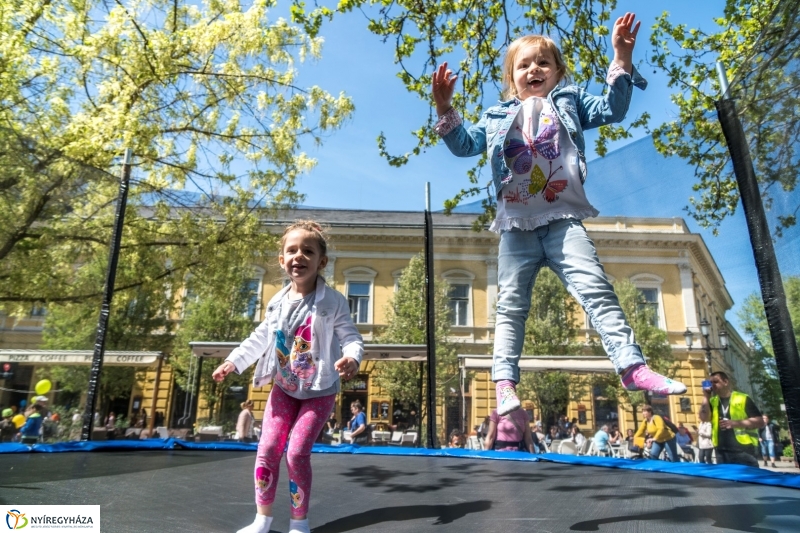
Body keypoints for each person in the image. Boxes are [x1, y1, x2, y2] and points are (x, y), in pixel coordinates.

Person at [431, 12, 687, 417]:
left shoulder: (570, 100)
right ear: (511, 77)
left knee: (596, 290)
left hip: (564, 220)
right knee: (511, 305)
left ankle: (631, 365)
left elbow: (613, 111)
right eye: (524, 64)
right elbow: (464, 145)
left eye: (543, 63)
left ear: (558, 72)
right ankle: (503, 383)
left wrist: (620, 58)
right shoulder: (496, 116)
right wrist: (445, 106)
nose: (534, 69)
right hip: (516, 227)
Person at [212, 220, 364, 533]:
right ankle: (262, 519)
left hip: (319, 390)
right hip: (284, 387)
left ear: (321, 262)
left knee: (296, 453)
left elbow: (351, 336)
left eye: (308, 251)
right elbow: (260, 337)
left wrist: (351, 357)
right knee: (267, 449)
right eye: (292, 250)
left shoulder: (332, 301)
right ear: (282, 260)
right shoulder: (276, 302)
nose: (299, 256)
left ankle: (299, 523)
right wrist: (233, 361)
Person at [699, 371, 764, 467]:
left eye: (716, 381)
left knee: (749, 480)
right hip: (721, 451)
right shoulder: (712, 401)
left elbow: (760, 421)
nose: (713, 385)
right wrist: (706, 396)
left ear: (725, 382)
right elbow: (703, 418)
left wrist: (735, 423)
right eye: (710, 382)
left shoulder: (742, 398)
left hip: (744, 450)